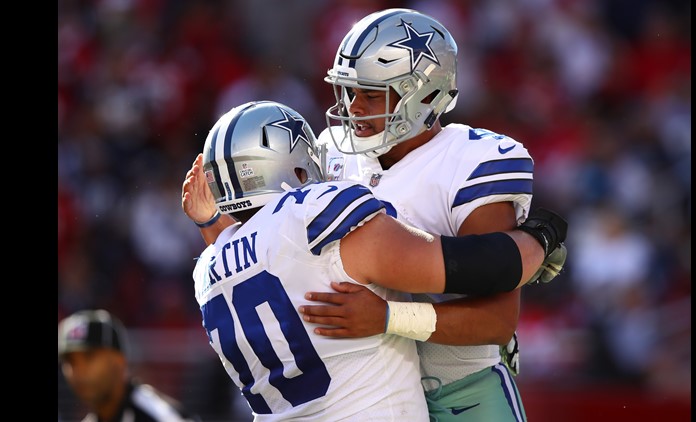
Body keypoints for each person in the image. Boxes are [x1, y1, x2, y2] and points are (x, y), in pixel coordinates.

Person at [181, 100, 566, 420]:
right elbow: (482, 268)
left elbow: (260, 255)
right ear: (295, 166)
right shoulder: (314, 213)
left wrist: (210, 222)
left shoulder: (207, 268)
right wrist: (541, 238)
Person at [299, 8, 568, 421]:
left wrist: (389, 318)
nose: (353, 108)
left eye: (371, 93)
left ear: (424, 93)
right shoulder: (331, 151)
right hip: (361, 387)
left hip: (459, 389)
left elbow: (497, 321)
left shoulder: (472, 162)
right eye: (349, 91)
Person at [58, 309, 201, 422]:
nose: (78, 371)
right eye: (69, 361)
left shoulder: (160, 415)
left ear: (119, 360)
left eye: (89, 357)